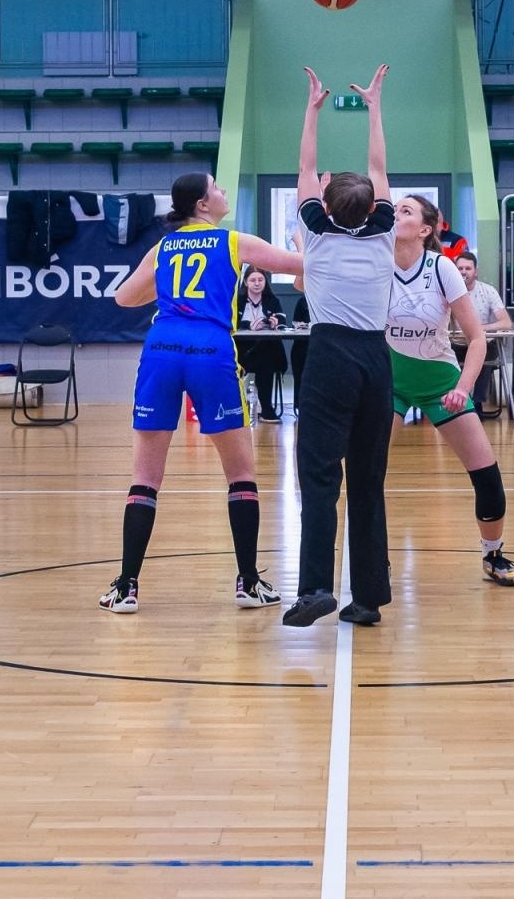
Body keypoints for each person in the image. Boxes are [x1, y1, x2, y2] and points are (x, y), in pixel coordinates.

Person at [98, 172, 304, 615]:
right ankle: (248, 582)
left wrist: (169, 293)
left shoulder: (164, 246)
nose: (224, 192)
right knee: (241, 473)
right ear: (202, 203)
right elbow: (296, 267)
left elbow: (123, 298)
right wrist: (303, 244)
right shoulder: (232, 241)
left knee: (145, 477)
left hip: (162, 347)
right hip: (210, 349)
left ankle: (127, 586)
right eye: (217, 187)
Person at [283, 64, 397, 628]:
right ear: (372, 204)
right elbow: (377, 166)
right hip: (377, 360)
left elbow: (304, 166)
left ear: (324, 206)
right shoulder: (383, 230)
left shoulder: (316, 233)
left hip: (329, 356)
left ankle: (314, 591)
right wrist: (374, 106)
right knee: (369, 481)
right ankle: (369, 598)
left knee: (319, 476)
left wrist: (312, 108)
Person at [388, 194, 514, 588]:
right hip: (389, 384)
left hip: (440, 383)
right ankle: (372, 557)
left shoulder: (441, 267)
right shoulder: (376, 261)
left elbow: (477, 339)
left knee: (487, 474)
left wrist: (463, 389)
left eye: (406, 211)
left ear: (426, 229)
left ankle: (492, 553)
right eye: (395, 208)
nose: (396, 213)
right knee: (366, 477)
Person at [452, 250, 512, 408]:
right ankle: (451, 403)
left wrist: (480, 328)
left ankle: (476, 404)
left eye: (468, 268)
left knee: (483, 358)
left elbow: (506, 323)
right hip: (456, 343)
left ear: (476, 272)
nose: (464, 272)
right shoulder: (448, 291)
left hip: (483, 342)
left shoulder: (488, 291)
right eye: (460, 268)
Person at [234, 265, 289, 423]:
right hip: (243, 350)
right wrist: (249, 326)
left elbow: (283, 321)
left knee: (267, 354)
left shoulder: (272, 300)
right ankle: (245, 405)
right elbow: (231, 323)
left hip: (266, 351)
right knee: (263, 356)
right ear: (245, 282)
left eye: (260, 280)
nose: (257, 283)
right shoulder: (238, 301)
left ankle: (266, 406)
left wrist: (274, 323)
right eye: (253, 280)